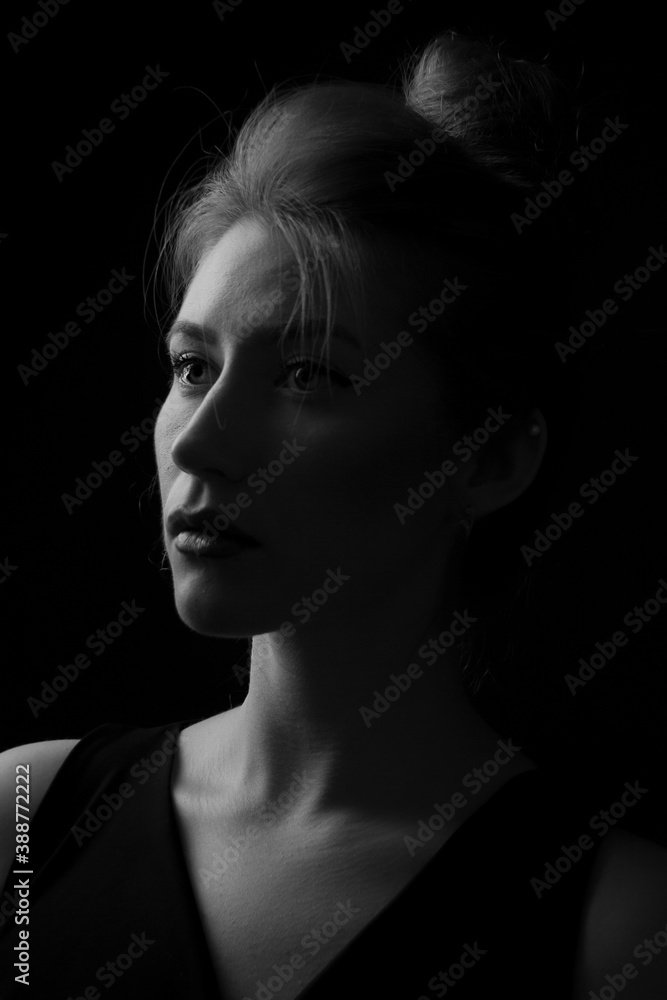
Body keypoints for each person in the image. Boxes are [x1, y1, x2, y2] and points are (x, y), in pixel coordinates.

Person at [1, 29, 666, 999]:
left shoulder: (616, 931)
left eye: (309, 375)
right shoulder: (25, 823)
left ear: (490, 458)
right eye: (193, 367)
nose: (196, 442)